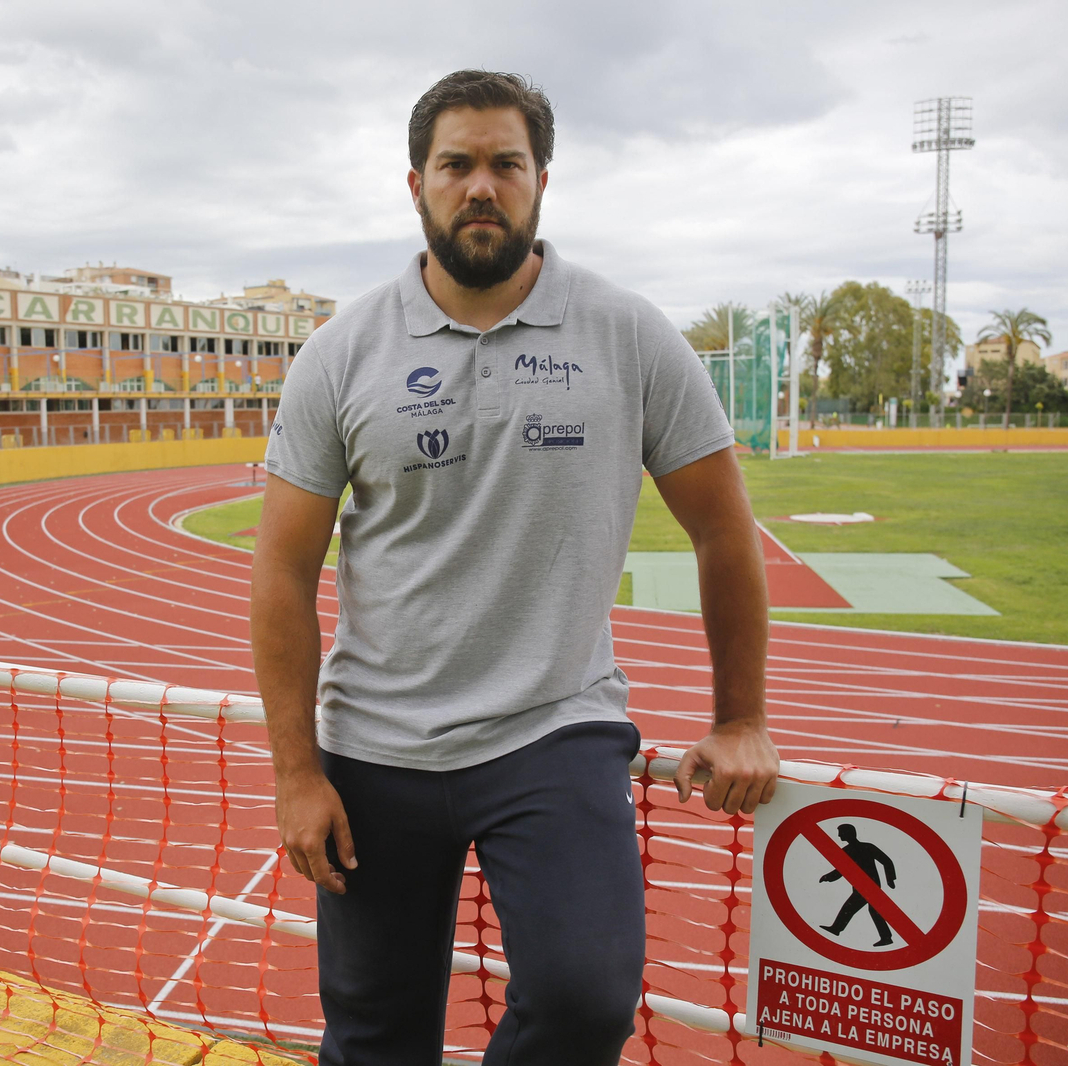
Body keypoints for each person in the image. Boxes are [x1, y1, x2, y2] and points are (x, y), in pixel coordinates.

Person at [249, 69, 779, 1065]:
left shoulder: (627, 333)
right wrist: (296, 771)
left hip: (555, 729)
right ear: (416, 184)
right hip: (377, 748)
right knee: (373, 1037)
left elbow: (722, 531)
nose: (480, 186)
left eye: (505, 163)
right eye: (457, 164)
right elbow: (281, 569)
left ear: (541, 179)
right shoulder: (340, 352)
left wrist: (741, 716)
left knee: (585, 1000)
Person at [819, 823, 898, 946]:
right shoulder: (846, 850)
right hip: (861, 886)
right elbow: (841, 870)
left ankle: (837, 928)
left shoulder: (866, 847)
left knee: (850, 908)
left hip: (870, 886)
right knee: (872, 911)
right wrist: (828, 877)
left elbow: (886, 861)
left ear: (848, 833)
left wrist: (890, 879)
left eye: (841, 833)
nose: (839, 836)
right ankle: (886, 937)